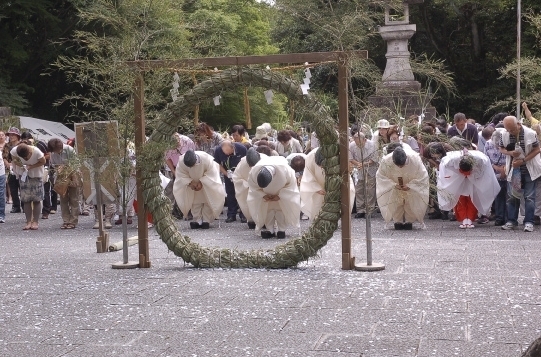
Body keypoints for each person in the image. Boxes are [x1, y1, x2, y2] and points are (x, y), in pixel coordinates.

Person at [437, 149, 500, 229]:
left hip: (473, 178)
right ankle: (464, 219)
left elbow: (485, 166)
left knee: (472, 199)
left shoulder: (480, 159)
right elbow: (444, 165)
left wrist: (474, 174)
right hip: (458, 178)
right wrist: (456, 174)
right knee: (461, 198)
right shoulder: (451, 159)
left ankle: (470, 219)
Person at [499, 116, 541, 232]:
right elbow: (501, 148)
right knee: (512, 196)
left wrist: (523, 160)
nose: (510, 132)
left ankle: (529, 222)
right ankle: (511, 221)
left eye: (512, 129)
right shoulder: (504, 134)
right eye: (508, 130)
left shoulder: (530, 133)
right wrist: (509, 152)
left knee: (529, 197)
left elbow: (537, 149)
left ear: (518, 124)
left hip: (529, 168)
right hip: (514, 169)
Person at [376, 145, 429, 230]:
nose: (400, 167)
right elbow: (380, 176)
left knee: (410, 200)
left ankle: (409, 221)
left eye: (402, 165)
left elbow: (423, 176)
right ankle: (397, 221)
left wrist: (411, 185)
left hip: (410, 182)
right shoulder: (386, 160)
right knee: (395, 200)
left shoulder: (415, 159)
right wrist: (393, 184)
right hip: (394, 183)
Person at [247, 155, 300, 239]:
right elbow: (252, 186)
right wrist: (263, 195)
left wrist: (280, 196)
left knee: (281, 211)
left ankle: (281, 230)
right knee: (267, 211)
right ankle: (269, 229)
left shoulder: (284, 169)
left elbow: (291, 184)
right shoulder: (255, 171)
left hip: (281, 194)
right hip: (265, 195)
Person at [173, 150, 225, 229]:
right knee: (194, 202)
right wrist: (190, 183)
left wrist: (202, 182)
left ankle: (206, 220)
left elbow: (212, 172)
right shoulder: (181, 161)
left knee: (208, 200)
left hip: (207, 183)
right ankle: (197, 219)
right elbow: (181, 174)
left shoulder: (206, 158)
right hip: (192, 184)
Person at [300, 148, 355, 220]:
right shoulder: (310, 157)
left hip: (336, 185)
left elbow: (346, 174)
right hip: (319, 185)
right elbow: (308, 176)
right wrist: (316, 188)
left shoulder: (337, 155)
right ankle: (319, 224)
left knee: (342, 200)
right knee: (318, 208)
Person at [10, 142, 46, 230]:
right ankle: (28, 221)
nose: (25, 158)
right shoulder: (14, 150)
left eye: (26, 157)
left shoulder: (36, 151)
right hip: (23, 176)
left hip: (36, 176)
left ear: (29, 152)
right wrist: (21, 165)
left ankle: (35, 221)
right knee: (26, 200)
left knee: (36, 199)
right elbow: (14, 159)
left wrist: (31, 166)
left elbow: (43, 161)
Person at [48, 138, 80, 229]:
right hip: (61, 177)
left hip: (72, 175)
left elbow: (76, 163)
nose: (56, 152)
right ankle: (66, 220)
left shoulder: (69, 149)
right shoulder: (53, 153)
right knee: (63, 199)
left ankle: (73, 221)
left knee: (74, 199)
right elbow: (53, 165)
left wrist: (65, 167)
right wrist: (57, 168)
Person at [214, 140, 247, 222]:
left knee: (242, 193)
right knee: (230, 193)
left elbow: (246, 163)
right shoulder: (218, 150)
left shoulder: (242, 149)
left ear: (233, 147)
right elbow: (217, 163)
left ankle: (244, 214)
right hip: (228, 173)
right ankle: (231, 214)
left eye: (229, 152)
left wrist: (240, 175)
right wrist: (226, 174)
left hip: (241, 174)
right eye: (225, 153)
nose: (227, 154)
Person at [232, 148, 265, 229]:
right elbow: (236, 177)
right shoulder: (242, 163)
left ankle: (264, 221)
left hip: (262, 189)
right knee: (248, 203)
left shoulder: (266, 161)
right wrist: (247, 185)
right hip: (247, 189)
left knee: (263, 204)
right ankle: (251, 220)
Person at [349, 132, 378, 218]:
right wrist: (358, 164)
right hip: (358, 168)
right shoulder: (352, 145)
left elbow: (374, 159)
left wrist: (363, 164)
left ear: (365, 140)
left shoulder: (372, 145)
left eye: (360, 143)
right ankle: (360, 209)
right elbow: (350, 158)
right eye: (356, 143)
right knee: (359, 189)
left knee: (370, 190)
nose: (358, 145)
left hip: (370, 168)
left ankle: (369, 209)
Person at [484, 129, 507, 226]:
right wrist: (496, 167)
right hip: (494, 173)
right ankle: (499, 217)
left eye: (499, 145)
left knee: (510, 196)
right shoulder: (488, 144)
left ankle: (509, 218)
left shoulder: (508, 141)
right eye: (496, 145)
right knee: (498, 196)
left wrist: (505, 169)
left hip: (508, 171)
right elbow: (486, 159)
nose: (497, 147)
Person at [3, 127, 22, 213]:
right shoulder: (7, 145)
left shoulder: (22, 145)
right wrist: (7, 163)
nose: (11, 136)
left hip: (21, 168)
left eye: (13, 135)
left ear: (17, 136)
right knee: (13, 188)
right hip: (10, 169)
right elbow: (4, 156)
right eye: (10, 135)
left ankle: (25, 205)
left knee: (22, 187)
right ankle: (16, 206)